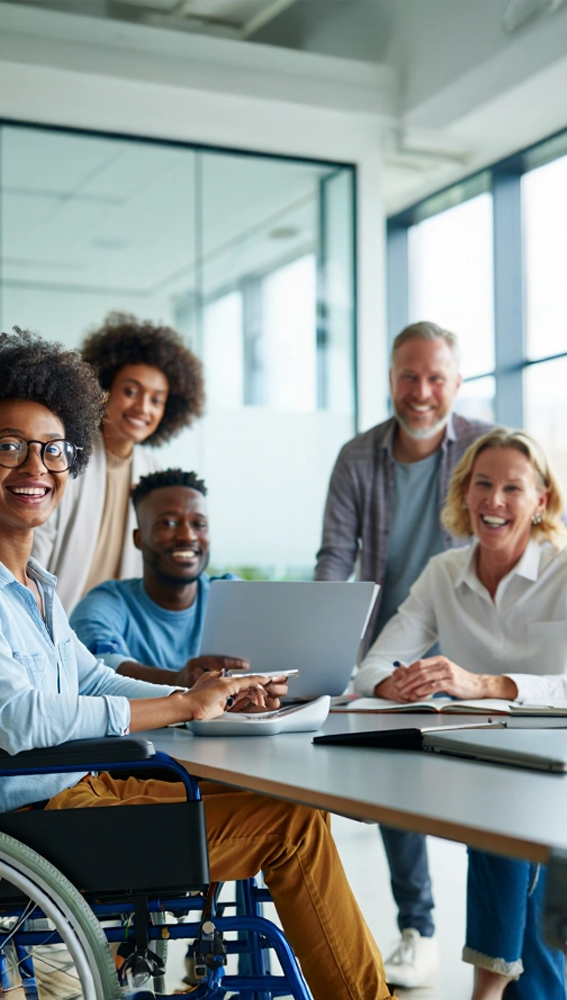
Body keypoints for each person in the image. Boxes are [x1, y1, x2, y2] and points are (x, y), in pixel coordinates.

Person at [0, 328, 393, 1000]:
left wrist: (205, 690)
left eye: (52, 450)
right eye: (9, 447)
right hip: (31, 826)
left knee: (287, 807)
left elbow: (89, 679)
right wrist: (178, 707)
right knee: (292, 829)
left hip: (81, 799)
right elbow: (21, 720)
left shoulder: (33, 584)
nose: (35, 467)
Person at [355, 427, 567, 1000]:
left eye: (512, 488)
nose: (493, 501)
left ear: (541, 500)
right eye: (482, 484)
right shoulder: (444, 573)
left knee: (510, 823)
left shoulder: (565, 570)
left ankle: (491, 993)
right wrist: (399, 681)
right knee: (502, 812)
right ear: (464, 492)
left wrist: (486, 684)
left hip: (558, 766)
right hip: (482, 759)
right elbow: (369, 670)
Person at [314, 320, 492, 987]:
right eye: (408, 377)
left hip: (475, 635)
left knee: (487, 790)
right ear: (391, 379)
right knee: (396, 781)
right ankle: (419, 927)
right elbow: (336, 555)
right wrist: (325, 645)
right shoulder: (359, 457)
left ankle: (497, 940)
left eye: (435, 377)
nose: (421, 392)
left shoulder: (481, 447)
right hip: (395, 643)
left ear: (457, 381)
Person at [32, 312, 205, 615]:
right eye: (131, 391)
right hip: (52, 622)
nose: (143, 407)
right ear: (102, 389)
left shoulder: (153, 472)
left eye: (156, 399)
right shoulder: (62, 458)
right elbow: (33, 555)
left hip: (113, 633)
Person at [70, 468, 247, 688]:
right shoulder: (106, 604)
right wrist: (179, 682)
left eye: (199, 525)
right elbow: (96, 669)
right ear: (139, 538)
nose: (188, 536)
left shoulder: (233, 595)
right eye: (169, 523)